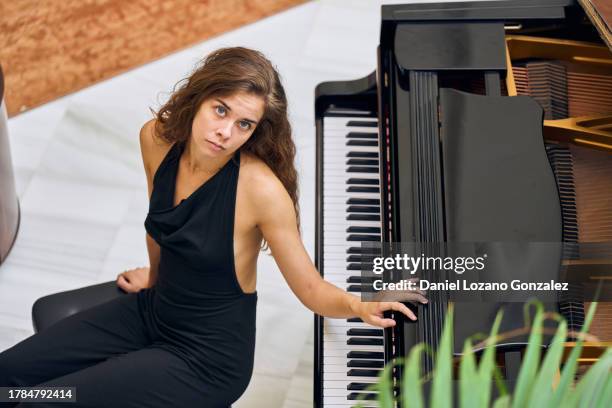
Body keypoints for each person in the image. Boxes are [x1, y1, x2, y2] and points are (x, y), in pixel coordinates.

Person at [0, 47, 426, 407]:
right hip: (155, 310)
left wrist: (361, 305)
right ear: (199, 98)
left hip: (206, 357)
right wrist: (157, 274)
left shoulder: (260, 191)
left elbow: (310, 288)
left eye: (244, 124)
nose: (225, 132)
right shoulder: (157, 139)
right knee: (7, 375)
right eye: (220, 110)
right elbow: (160, 224)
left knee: (43, 399)